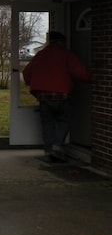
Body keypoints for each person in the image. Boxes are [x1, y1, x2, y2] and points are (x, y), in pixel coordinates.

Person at [22, 31, 91, 162]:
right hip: (62, 96)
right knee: (64, 121)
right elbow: (81, 73)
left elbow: (26, 73)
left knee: (47, 124)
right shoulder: (67, 55)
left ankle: (49, 150)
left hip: (44, 97)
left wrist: (36, 84)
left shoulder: (40, 55)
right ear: (61, 42)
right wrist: (93, 79)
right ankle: (57, 145)